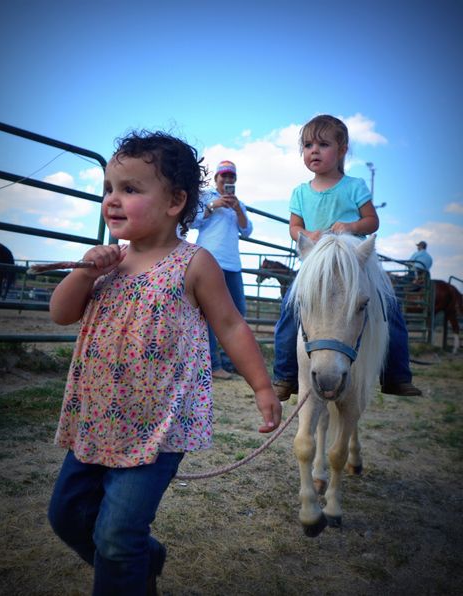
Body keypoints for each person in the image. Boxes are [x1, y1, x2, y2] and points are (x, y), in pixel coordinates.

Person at [47, 131, 281, 596]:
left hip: (159, 426)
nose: (113, 200)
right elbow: (61, 313)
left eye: (130, 190)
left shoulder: (194, 263)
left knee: (117, 536)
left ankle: (129, 559)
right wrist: (83, 271)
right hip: (95, 419)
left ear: (175, 201)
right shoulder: (107, 263)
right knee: (67, 516)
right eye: (109, 189)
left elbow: (231, 326)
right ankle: (143, 557)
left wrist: (261, 387)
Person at [272, 114, 422, 401]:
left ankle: (396, 375)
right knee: (289, 312)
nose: (313, 150)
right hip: (317, 267)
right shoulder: (300, 192)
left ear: (342, 151)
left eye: (323, 144)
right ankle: (286, 375)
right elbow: (294, 227)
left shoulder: (354, 186)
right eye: (307, 145)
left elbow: (372, 221)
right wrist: (306, 234)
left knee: (390, 308)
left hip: (353, 266)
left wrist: (352, 227)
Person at [190, 160, 253, 380]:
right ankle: (213, 364)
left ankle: (229, 362)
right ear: (216, 178)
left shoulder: (239, 203)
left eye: (231, 177)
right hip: (209, 260)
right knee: (207, 314)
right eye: (223, 176)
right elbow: (192, 222)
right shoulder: (206, 198)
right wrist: (213, 206)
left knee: (238, 311)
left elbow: (247, 231)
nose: (227, 180)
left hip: (232, 263)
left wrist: (237, 209)